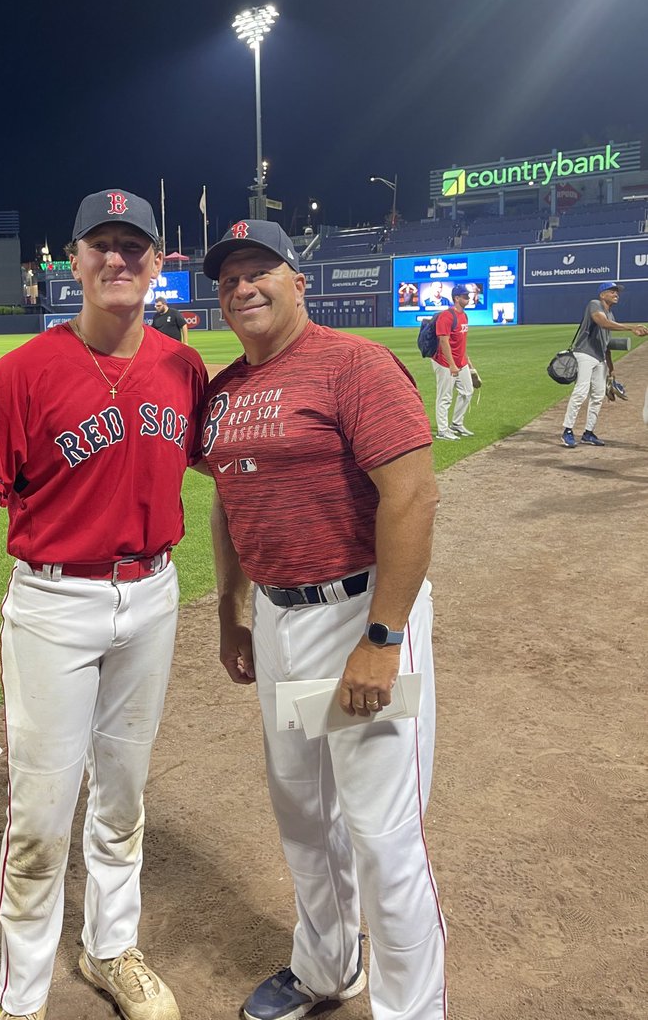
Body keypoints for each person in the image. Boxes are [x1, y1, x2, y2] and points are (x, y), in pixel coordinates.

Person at [0, 188, 207, 1020]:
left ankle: (111, 949)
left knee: (123, 793)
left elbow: (234, 472)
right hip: (53, 606)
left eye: (134, 246)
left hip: (154, 595)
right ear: (74, 262)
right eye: (102, 245)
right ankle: (23, 1000)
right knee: (41, 813)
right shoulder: (22, 373)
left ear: (158, 264)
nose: (118, 259)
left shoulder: (184, 367)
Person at [200, 219, 446, 1020]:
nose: (244, 287)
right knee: (304, 814)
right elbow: (228, 502)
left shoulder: (355, 364)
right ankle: (327, 969)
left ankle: (412, 1011)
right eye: (230, 278)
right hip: (280, 621)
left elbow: (413, 496)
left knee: (383, 835)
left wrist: (383, 638)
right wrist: (233, 609)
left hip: (360, 615)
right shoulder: (223, 392)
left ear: (299, 282)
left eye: (260, 270)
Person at [561, 281, 648, 448]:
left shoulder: (611, 316)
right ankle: (567, 431)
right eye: (612, 291)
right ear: (602, 294)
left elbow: (606, 344)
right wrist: (631, 328)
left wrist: (611, 369)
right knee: (580, 392)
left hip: (600, 359)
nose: (616, 294)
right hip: (585, 354)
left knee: (598, 395)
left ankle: (588, 433)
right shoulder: (595, 304)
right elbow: (601, 322)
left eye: (617, 292)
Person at [432, 284, 474, 440]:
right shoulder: (447, 316)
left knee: (467, 391)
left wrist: (468, 363)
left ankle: (456, 423)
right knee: (445, 397)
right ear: (457, 298)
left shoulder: (464, 316)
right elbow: (444, 341)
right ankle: (442, 431)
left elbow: (461, 342)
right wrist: (451, 365)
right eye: (465, 296)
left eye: (468, 296)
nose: (468, 298)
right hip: (445, 362)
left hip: (460, 362)